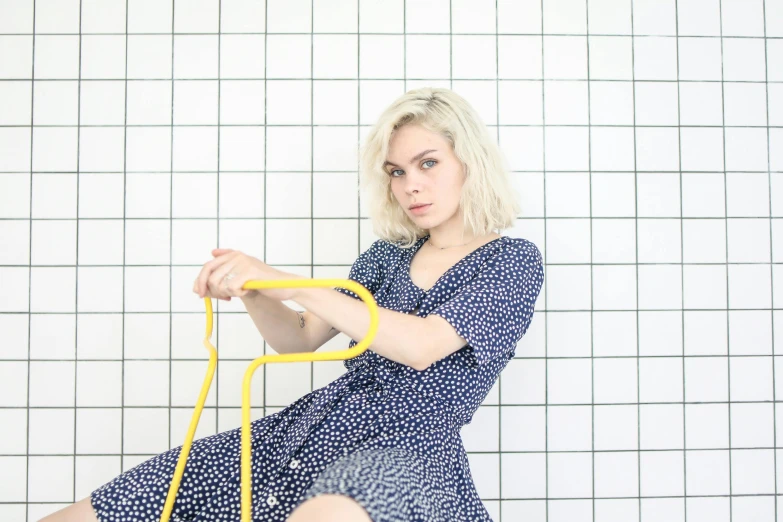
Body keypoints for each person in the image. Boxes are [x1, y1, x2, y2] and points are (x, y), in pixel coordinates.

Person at [40, 87, 544, 522]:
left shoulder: (510, 261)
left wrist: (289, 281)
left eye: (427, 163)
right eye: (395, 171)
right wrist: (254, 290)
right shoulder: (386, 257)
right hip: (308, 429)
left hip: (407, 451)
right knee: (116, 505)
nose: (410, 184)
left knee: (338, 506)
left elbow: (421, 345)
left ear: (470, 161)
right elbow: (297, 338)